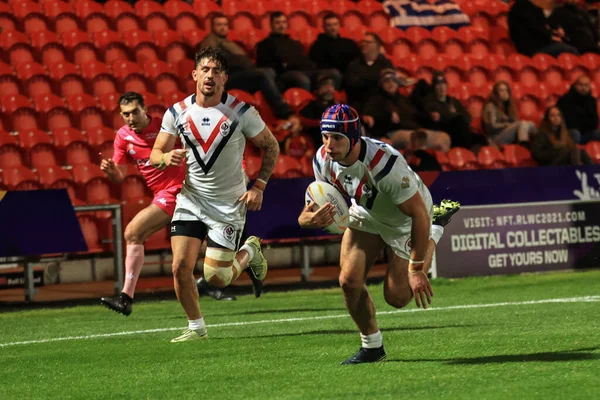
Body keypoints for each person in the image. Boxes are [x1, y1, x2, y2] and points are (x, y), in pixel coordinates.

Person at [297, 104, 460, 364]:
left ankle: (437, 228)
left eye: (337, 137)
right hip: (366, 212)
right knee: (348, 282)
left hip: (406, 219)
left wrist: (416, 270)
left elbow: (418, 214)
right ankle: (372, 347)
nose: (329, 145)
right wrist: (306, 219)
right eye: (325, 137)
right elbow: (324, 202)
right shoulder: (323, 160)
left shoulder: (385, 164)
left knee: (397, 297)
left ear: (353, 137)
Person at [150, 47, 280, 342]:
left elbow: (271, 146)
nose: (210, 75)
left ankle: (251, 251)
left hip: (228, 204)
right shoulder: (177, 113)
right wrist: (163, 158)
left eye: (217, 71)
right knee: (179, 266)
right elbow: (156, 152)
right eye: (205, 70)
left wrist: (258, 186)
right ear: (195, 75)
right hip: (192, 199)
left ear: (225, 78)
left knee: (216, 278)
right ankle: (196, 328)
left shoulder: (242, 112)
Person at [99, 92, 186, 316]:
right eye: (126, 114)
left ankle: (126, 297)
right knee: (196, 249)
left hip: (180, 189)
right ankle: (244, 259)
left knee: (133, 232)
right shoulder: (122, 137)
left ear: (144, 109)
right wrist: (111, 173)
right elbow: (120, 176)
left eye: (135, 112)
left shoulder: (164, 127)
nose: (131, 118)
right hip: (161, 194)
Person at [199, 13, 302, 131]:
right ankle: (284, 111)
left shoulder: (227, 42)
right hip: (228, 78)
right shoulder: (209, 42)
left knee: (269, 72)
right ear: (212, 27)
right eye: (219, 25)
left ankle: (278, 114)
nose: (223, 27)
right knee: (263, 74)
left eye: (225, 24)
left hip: (242, 74)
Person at [482, 81, 537, 146]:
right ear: (496, 93)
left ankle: (538, 143)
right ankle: (523, 145)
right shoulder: (491, 106)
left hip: (509, 134)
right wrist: (507, 124)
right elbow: (491, 126)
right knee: (522, 123)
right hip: (495, 137)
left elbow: (515, 121)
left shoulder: (509, 106)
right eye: (501, 90)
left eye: (506, 90)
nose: (505, 93)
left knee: (530, 124)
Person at [556, 75, 600, 144]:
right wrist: (584, 122)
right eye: (580, 85)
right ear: (575, 86)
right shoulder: (565, 100)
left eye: (586, 85)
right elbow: (567, 122)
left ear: (589, 87)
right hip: (570, 133)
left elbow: (594, 123)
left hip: (586, 133)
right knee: (575, 134)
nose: (583, 88)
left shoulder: (592, 101)